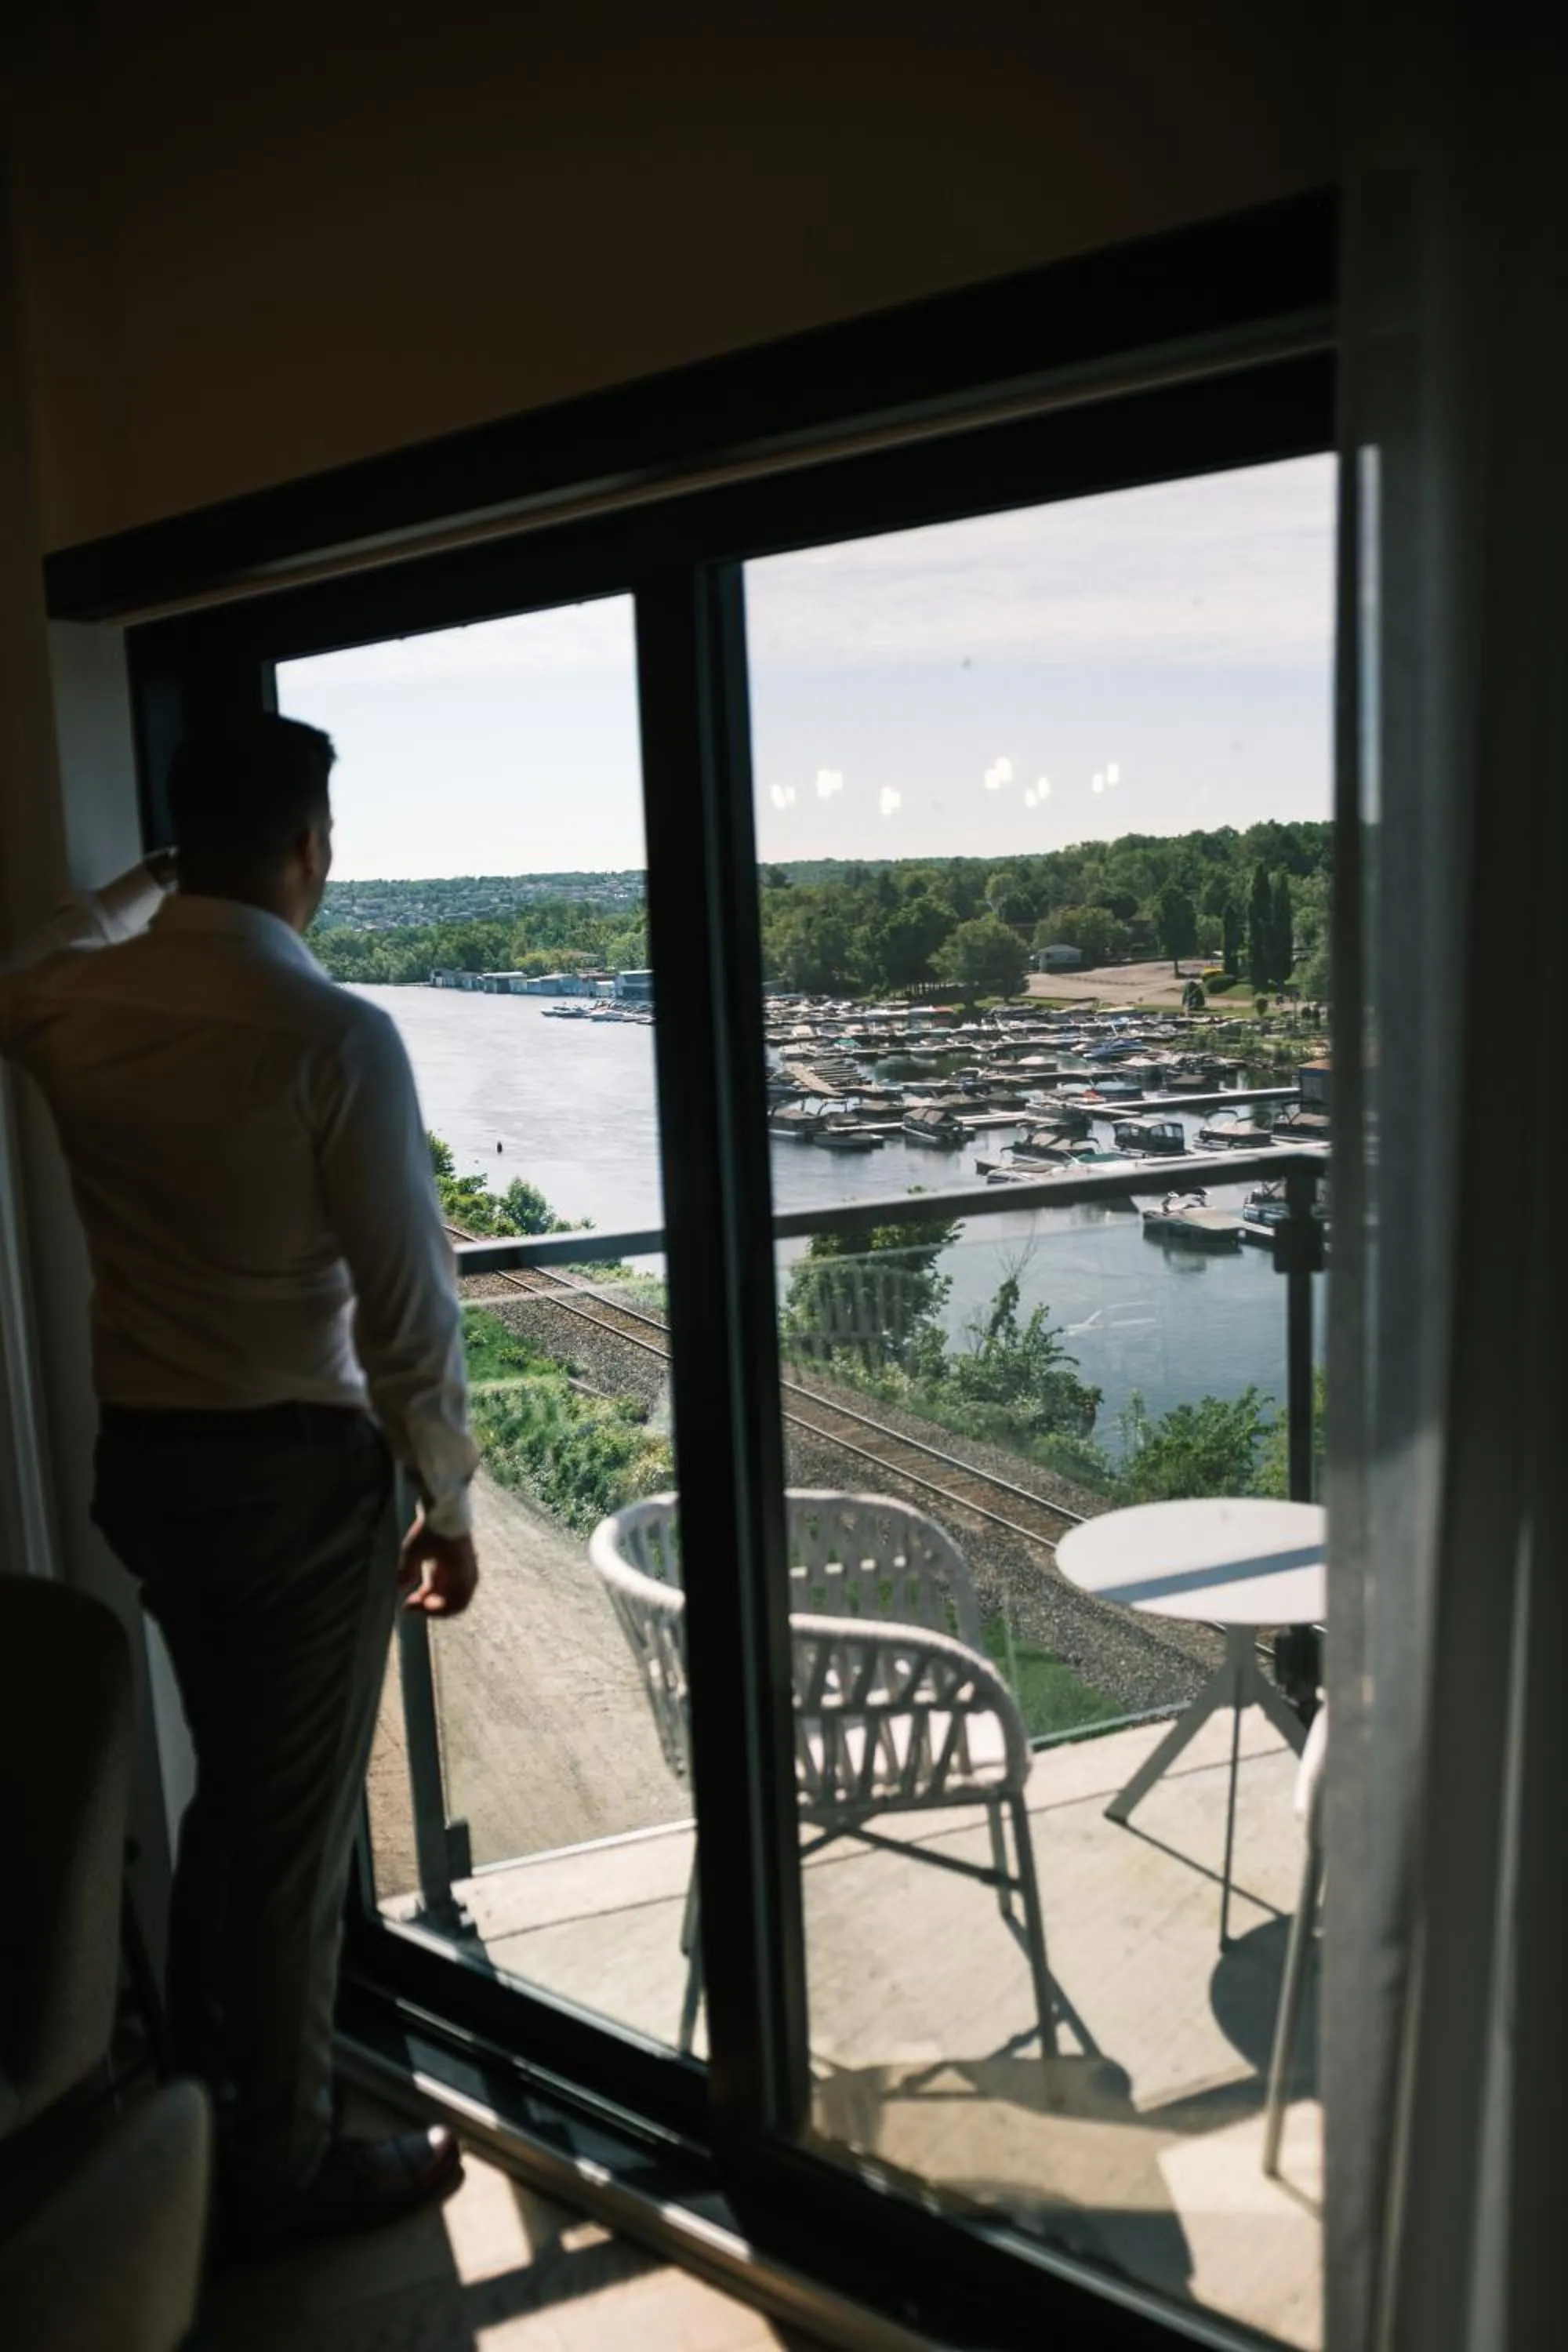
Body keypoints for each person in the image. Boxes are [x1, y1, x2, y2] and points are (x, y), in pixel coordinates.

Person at [0, 713, 479, 2244]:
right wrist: (449, 1503)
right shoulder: (334, 1035)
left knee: (237, 1796)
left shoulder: (73, 1000)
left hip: (150, 1468)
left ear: (184, 843)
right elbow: (408, 1311)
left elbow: (28, 957)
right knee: (294, 1838)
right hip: (293, 1488)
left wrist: (146, 884)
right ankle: (279, 2162)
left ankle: (204, 2097)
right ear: (311, 849)